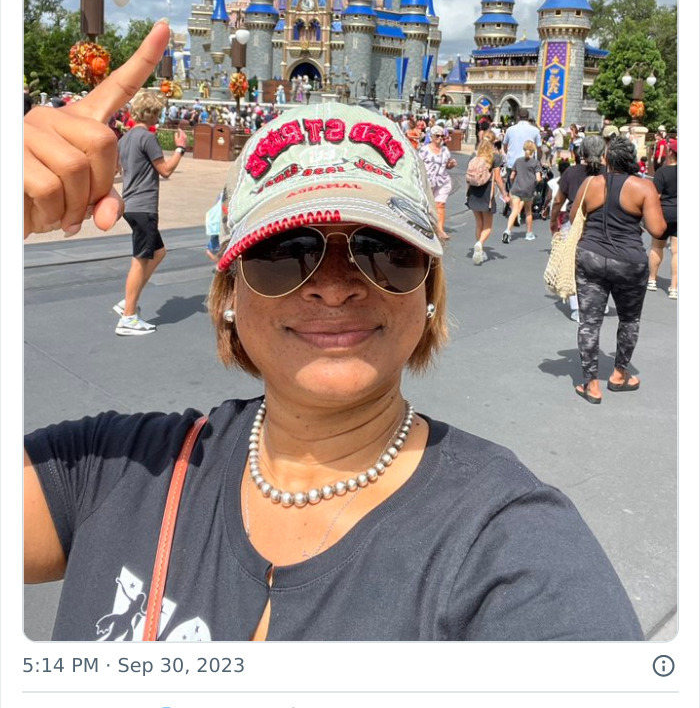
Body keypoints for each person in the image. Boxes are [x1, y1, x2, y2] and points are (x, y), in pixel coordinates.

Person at [24, 33, 644, 640]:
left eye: (383, 250)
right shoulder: (117, 474)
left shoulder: (510, 550)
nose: (335, 287)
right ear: (229, 289)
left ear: (428, 287)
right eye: (284, 250)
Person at [569, 136, 666, 404]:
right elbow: (657, 230)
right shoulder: (644, 188)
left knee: (589, 321)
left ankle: (590, 384)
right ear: (632, 158)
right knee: (629, 320)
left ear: (607, 160)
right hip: (629, 263)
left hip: (590, 257)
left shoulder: (591, 183)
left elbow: (573, 215)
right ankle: (619, 375)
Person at [113, 89, 188, 335]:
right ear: (153, 113)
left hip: (131, 204)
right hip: (144, 206)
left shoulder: (124, 140)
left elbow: (118, 169)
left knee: (158, 252)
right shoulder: (147, 138)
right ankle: (128, 316)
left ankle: (129, 299)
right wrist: (180, 149)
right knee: (140, 259)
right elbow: (165, 170)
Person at [549, 135, 607, 322]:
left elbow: (558, 200)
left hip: (574, 221)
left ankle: (576, 307)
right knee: (600, 263)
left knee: (573, 264)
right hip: (601, 223)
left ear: (581, 152)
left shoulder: (571, 173)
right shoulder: (608, 173)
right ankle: (600, 302)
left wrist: (553, 221)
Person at [465, 134, 509, 264]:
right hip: (486, 193)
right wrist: (504, 193)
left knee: (479, 223)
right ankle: (480, 244)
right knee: (488, 226)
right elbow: (498, 178)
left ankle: (479, 250)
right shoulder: (495, 157)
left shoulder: (474, 157)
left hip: (473, 192)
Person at [647, 138, 678, 299]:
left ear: (671, 153)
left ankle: (652, 279)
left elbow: (656, 196)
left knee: (657, 247)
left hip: (664, 212)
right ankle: (674, 287)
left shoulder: (662, 172)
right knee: (677, 252)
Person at [419, 126, 456, 241]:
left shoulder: (445, 150)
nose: (440, 138)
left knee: (440, 205)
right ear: (431, 137)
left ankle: (440, 230)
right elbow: (418, 165)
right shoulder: (424, 150)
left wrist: (451, 165)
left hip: (442, 181)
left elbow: (447, 165)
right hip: (427, 182)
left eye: (442, 136)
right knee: (426, 206)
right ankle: (424, 226)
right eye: (437, 136)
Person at [502, 141, 541, 243]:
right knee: (528, 211)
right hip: (528, 190)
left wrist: (515, 183)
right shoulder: (535, 163)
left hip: (516, 189)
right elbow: (538, 178)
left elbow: (511, 176)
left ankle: (507, 231)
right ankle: (529, 233)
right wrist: (534, 185)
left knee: (514, 210)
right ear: (533, 150)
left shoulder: (518, 161)